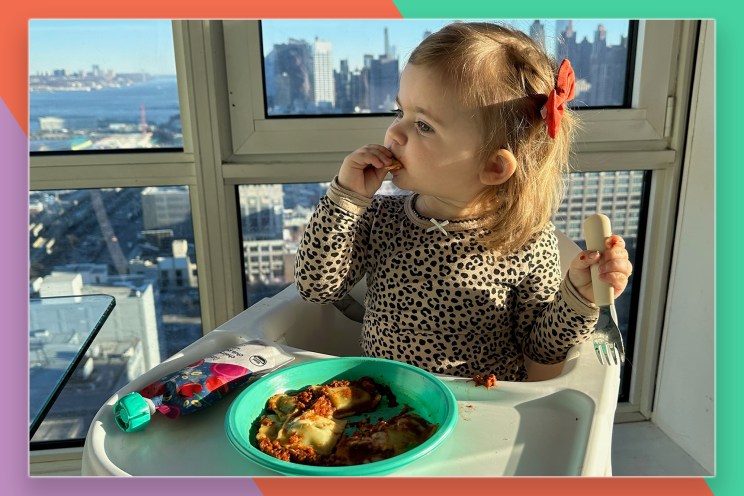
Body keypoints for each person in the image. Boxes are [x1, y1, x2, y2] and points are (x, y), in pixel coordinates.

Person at [294, 22, 633, 382]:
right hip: (385, 406)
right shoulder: (381, 218)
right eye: (399, 112)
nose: (394, 132)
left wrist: (580, 296)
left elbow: (541, 353)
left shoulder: (525, 244)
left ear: (493, 165)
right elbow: (315, 287)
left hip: (480, 410)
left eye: (423, 125)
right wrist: (346, 199)